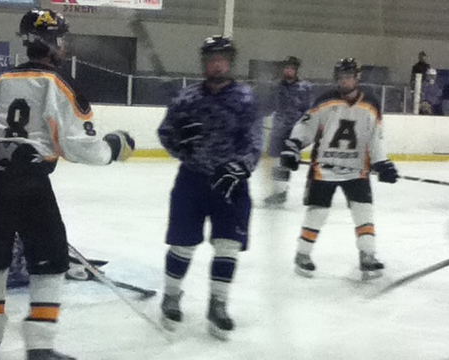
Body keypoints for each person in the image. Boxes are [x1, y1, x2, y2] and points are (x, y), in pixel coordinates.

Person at [0, 8, 135, 360]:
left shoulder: (1, 79)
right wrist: (114, 146)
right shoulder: (58, 82)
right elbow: (80, 146)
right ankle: (40, 354)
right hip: (30, 183)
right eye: (62, 39)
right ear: (54, 42)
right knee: (50, 262)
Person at [157, 36, 262, 341]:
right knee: (183, 244)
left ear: (230, 62)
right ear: (204, 62)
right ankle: (172, 295)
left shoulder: (245, 98)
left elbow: (254, 141)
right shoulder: (186, 98)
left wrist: (239, 168)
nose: (217, 64)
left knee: (228, 245)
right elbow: (166, 132)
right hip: (192, 181)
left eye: (222, 59)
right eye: (212, 59)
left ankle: (218, 303)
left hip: (231, 184)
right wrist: (180, 143)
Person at [281, 58, 398, 280]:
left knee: (363, 210)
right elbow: (306, 126)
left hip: (356, 170)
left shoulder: (370, 105)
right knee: (318, 212)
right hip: (324, 169)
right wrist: (293, 146)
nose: (346, 81)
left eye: (349, 76)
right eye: (342, 77)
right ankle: (302, 254)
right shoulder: (326, 101)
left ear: (357, 78)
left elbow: (374, 139)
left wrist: (382, 163)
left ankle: (367, 255)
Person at [263, 56, 313, 205]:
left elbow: (309, 109)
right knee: (276, 161)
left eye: (291, 68)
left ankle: (284, 191)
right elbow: (269, 104)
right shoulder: (276, 86)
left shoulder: (304, 87)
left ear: (296, 70)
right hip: (278, 129)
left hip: (294, 130)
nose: (288, 71)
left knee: (286, 161)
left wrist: (305, 127)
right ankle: (278, 191)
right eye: (286, 68)